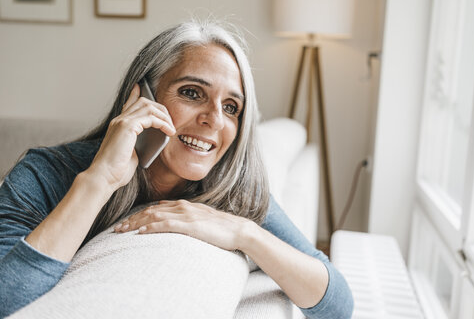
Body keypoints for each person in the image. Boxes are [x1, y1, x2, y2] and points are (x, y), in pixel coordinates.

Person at [0, 20, 353, 318]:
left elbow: (337, 303)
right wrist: (99, 181)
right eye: (192, 93)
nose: (214, 120)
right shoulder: (44, 173)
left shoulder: (233, 190)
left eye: (231, 107)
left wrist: (245, 234)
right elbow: (7, 299)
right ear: (141, 98)